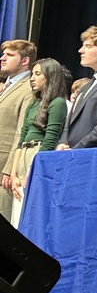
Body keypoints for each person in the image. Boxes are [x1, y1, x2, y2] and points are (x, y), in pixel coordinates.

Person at [8, 58, 69, 226]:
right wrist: (14, 173)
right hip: (24, 154)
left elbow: (50, 140)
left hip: (38, 154)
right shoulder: (34, 102)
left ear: (50, 76)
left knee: (29, 211)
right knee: (16, 212)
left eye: (37, 74)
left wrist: (33, 172)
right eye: (32, 74)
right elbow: (22, 137)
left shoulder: (57, 103)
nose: (32, 78)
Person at [0, 40, 37, 220]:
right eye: (3, 54)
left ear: (25, 61)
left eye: (9, 55)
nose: (2, 58)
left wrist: (9, 168)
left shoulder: (29, 87)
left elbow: (22, 130)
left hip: (3, 168)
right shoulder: (5, 86)